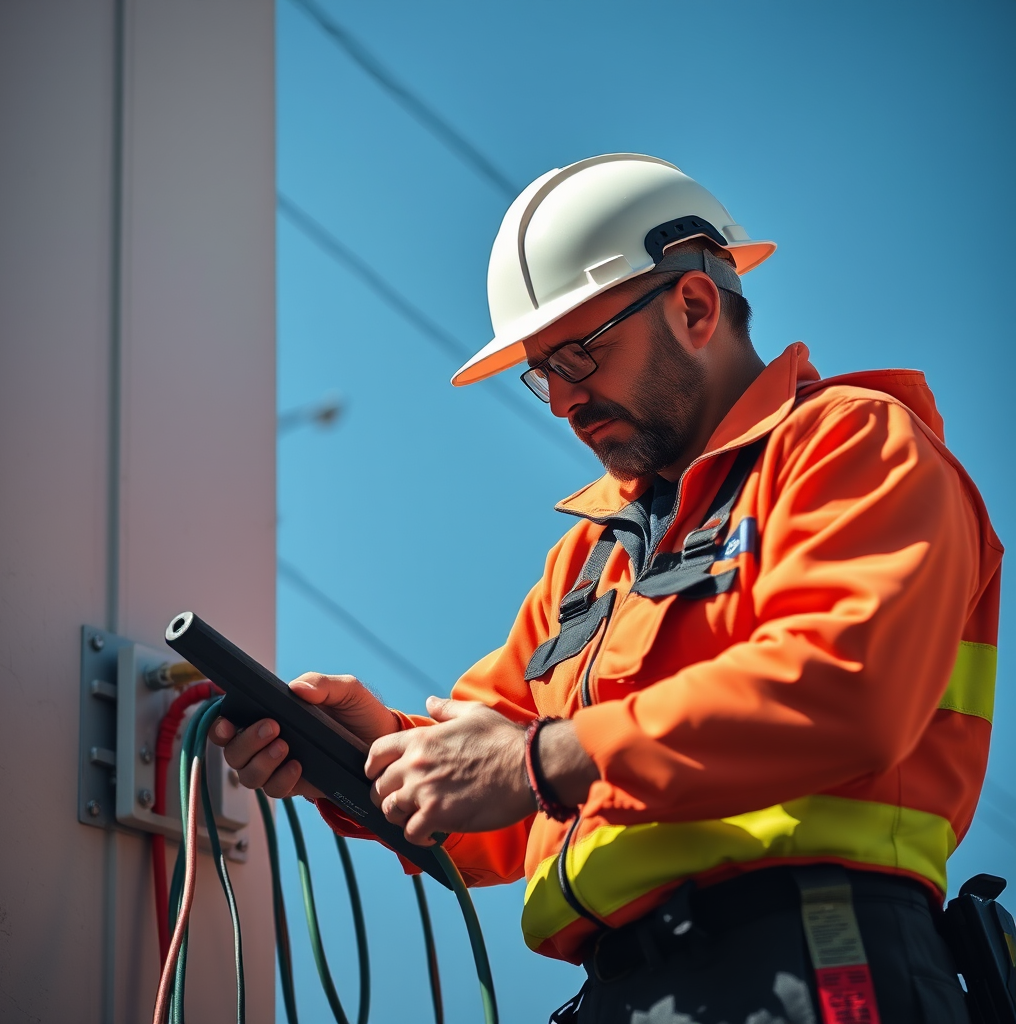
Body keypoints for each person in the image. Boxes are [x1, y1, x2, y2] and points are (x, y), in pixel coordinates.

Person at [211, 154, 1002, 1023]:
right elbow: (498, 811)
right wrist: (358, 759)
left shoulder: (849, 447)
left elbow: (847, 692)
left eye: (580, 355)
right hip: (626, 992)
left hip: (814, 961)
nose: (560, 401)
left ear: (696, 308)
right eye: (541, 371)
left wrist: (538, 760)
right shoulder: (593, 556)